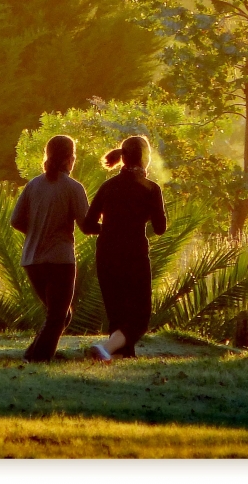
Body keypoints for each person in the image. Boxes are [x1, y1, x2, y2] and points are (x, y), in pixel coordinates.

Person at [83, 135, 167, 361]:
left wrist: (111, 228)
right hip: (135, 255)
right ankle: (106, 350)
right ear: (145, 158)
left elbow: (88, 224)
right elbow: (160, 228)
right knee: (139, 317)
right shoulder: (151, 189)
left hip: (107, 254)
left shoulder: (108, 186)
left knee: (117, 313)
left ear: (123, 157)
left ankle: (120, 357)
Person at [10, 135, 90, 363]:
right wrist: (114, 228)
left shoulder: (33, 185)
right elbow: (86, 225)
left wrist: (37, 231)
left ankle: (31, 354)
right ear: (69, 159)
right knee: (57, 316)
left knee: (61, 315)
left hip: (32, 261)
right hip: (60, 261)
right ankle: (38, 360)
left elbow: (15, 220)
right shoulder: (73, 188)